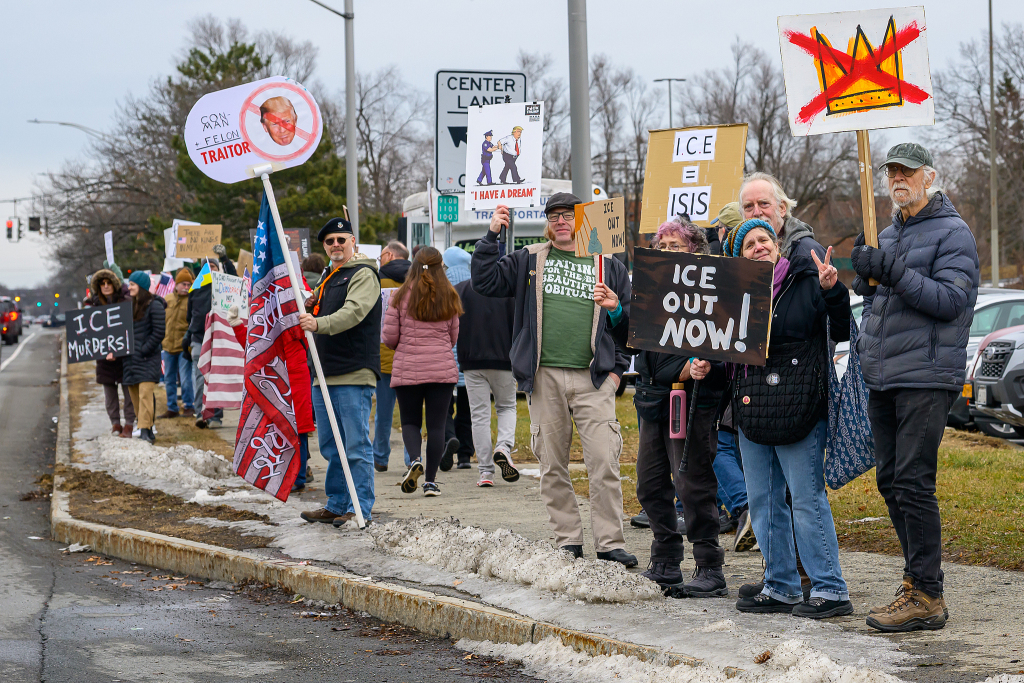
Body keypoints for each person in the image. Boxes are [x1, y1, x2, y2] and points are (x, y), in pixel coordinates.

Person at [852, 143, 979, 632]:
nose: (897, 179)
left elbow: (950, 301)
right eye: (891, 172)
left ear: (929, 177)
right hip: (884, 375)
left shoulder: (955, 233)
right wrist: (866, 277)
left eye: (906, 172)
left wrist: (892, 271)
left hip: (927, 375)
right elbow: (883, 300)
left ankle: (927, 592)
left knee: (912, 480)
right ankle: (917, 583)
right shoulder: (887, 232)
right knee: (890, 482)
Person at [472, 194, 636, 567]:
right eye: (554, 216)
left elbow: (631, 326)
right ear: (548, 222)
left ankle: (610, 543)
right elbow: (484, 282)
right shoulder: (529, 258)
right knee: (552, 464)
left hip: (594, 378)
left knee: (604, 462)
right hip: (544, 376)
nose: (562, 221)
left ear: (584, 220)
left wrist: (614, 368)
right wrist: (491, 235)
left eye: (569, 215)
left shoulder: (607, 263)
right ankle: (568, 541)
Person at [723, 218, 852, 619]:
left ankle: (830, 587)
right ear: (738, 256)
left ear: (777, 246)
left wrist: (833, 290)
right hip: (752, 405)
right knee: (762, 500)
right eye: (749, 245)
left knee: (806, 499)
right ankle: (780, 584)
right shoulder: (732, 295)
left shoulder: (806, 281)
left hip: (799, 405)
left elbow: (843, 327)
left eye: (765, 240)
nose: (759, 246)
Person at [599, 220, 728, 596]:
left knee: (693, 485)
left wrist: (702, 366)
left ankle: (709, 566)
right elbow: (635, 342)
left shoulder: (713, 289)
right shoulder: (650, 289)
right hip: (653, 400)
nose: (668, 251)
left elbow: (725, 343)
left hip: (692, 402)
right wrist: (616, 313)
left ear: (696, 252)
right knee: (650, 484)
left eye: (677, 245)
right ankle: (666, 560)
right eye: (663, 245)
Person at [298, 217, 381, 526]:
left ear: (352, 242)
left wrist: (319, 323)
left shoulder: (363, 274)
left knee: (356, 445)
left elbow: (355, 312)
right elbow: (318, 312)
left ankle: (361, 510)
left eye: (341, 240)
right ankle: (337, 503)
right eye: (330, 241)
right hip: (323, 372)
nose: (335, 245)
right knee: (331, 445)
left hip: (353, 372)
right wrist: (310, 307)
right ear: (324, 246)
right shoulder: (328, 278)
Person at [382, 247, 461, 497]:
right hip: (441, 370)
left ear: (414, 266)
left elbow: (389, 337)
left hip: (408, 368)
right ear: (440, 267)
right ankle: (430, 482)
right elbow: (453, 338)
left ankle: (414, 459)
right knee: (437, 427)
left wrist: (405, 346)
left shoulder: (399, 296)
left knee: (410, 422)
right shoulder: (449, 295)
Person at [453, 246, 517, 488]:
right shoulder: (509, 292)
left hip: (471, 360)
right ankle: (504, 446)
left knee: (478, 415)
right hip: (504, 359)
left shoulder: (460, 290)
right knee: (506, 407)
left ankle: (485, 472)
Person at [183, 247, 236, 429]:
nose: (211, 270)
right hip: (199, 337)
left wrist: (224, 258)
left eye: (214, 267)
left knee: (217, 378)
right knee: (200, 377)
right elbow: (189, 316)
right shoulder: (195, 289)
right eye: (208, 267)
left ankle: (215, 416)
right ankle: (200, 413)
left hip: (219, 337)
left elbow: (235, 279)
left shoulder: (225, 287)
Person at [83, 265, 135, 436]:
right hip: (104, 358)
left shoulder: (126, 302)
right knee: (109, 394)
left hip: (125, 357)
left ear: (114, 284)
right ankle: (115, 423)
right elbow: (90, 335)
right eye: (102, 283)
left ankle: (129, 423)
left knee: (129, 393)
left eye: (108, 283)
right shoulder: (93, 307)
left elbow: (130, 329)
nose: (105, 286)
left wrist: (118, 351)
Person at [374, 240, 412, 472]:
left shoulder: (375, 280)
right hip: (410, 356)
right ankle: (412, 458)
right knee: (410, 412)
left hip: (383, 355)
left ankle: (380, 457)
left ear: (388, 255)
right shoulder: (416, 280)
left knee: (383, 413)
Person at [738, 172, 826, 262]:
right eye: (749, 206)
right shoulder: (738, 260)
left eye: (764, 203)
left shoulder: (807, 254)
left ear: (782, 208)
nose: (756, 213)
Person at [122, 271, 167, 445]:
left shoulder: (154, 305)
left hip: (147, 358)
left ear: (140, 286)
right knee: (134, 395)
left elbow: (158, 332)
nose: (129, 287)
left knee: (145, 395)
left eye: (132, 284)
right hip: (130, 360)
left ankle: (146, 430)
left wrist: (143, 350)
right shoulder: (129, 306)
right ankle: (144, 427)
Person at [442, 246, 475, 470]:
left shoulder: (441, 288)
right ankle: (465, 455)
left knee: (444, 407)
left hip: (445, 355)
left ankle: (449, 438)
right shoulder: (477, 286)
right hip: (470, 357)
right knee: (468, 408)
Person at [159, 268, 195, 419]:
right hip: (168, 346)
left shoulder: (193, 301)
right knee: (169, 378)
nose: (186, 287)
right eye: (183, 284)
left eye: (188, 284)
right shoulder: (167, 300)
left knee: (186, 379)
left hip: (184, 347)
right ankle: (172, 407)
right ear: (177, 284)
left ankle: (188, 405)